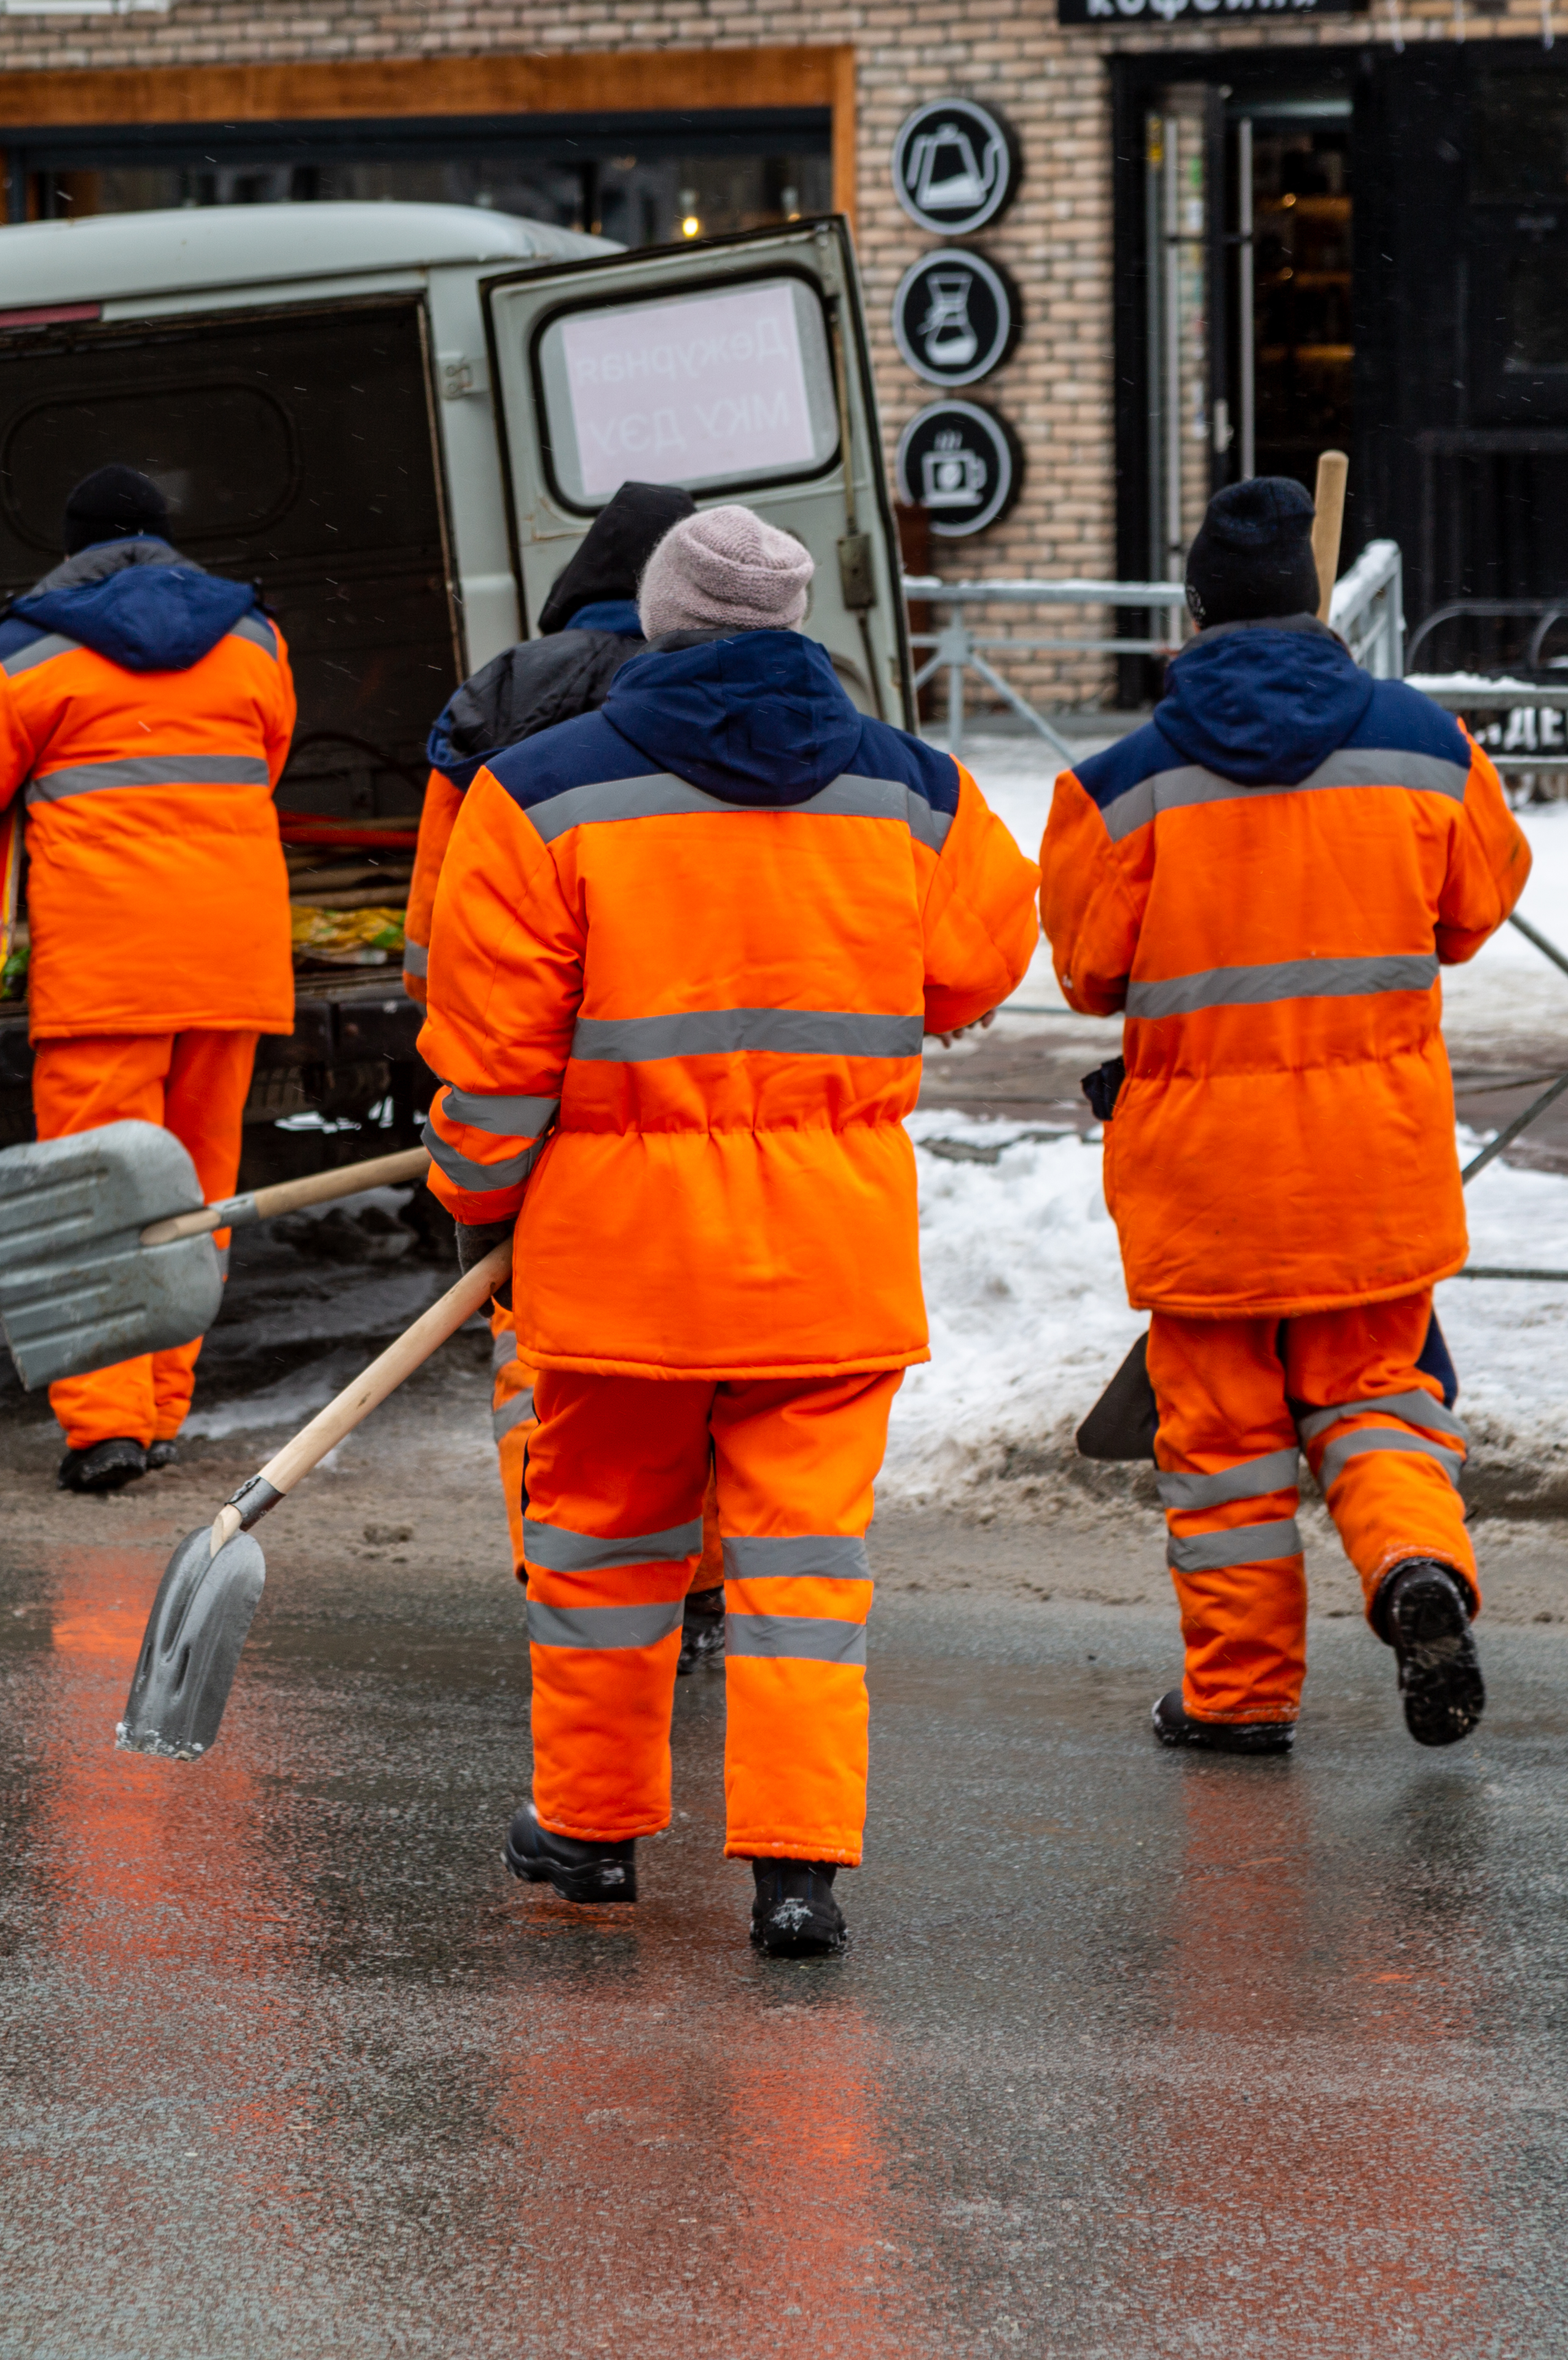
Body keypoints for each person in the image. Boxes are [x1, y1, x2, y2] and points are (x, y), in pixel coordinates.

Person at [420, 505, 1041, 1957]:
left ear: (659, 624)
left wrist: (477, 1200)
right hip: (830, 1265)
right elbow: (982, 958)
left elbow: (492, 1067)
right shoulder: (914, 789)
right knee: (806, 1573)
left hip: (624, 1269)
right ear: (791, 626)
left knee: (604, 1556)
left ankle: (588, 1830)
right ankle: (797, 1874)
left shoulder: (540, 795)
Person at [1038, 476, 1532, 1755]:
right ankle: (1414, 1564)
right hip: (1375, 1168)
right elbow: (1478, 910)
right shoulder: (1426, 746)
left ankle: (1240, 1696)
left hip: (1205, 1182)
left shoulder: (1118, 790)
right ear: (1315, 606)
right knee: (1379, 1401)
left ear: (1191, 617)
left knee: (1226, 1454)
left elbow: (1089, 972)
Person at [0, 465, 296, 1493]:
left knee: (99, 1195)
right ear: (165, 537)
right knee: (195, 1191)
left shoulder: (24, 653)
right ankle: (166, 1405)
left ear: (71, 542)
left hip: (108, 969)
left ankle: (106, 1428)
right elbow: (264, 763)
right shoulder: (256, 637)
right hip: (232, 955)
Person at [400, 481, 740, 1676]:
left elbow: (433, 937)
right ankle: (694, 1584)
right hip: (694, 1080)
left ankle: (570, 1569)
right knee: (690, 1348)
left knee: (541, 1352)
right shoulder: (717, 698)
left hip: (535, 1090)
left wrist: (475, 1073)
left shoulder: (498, 697)